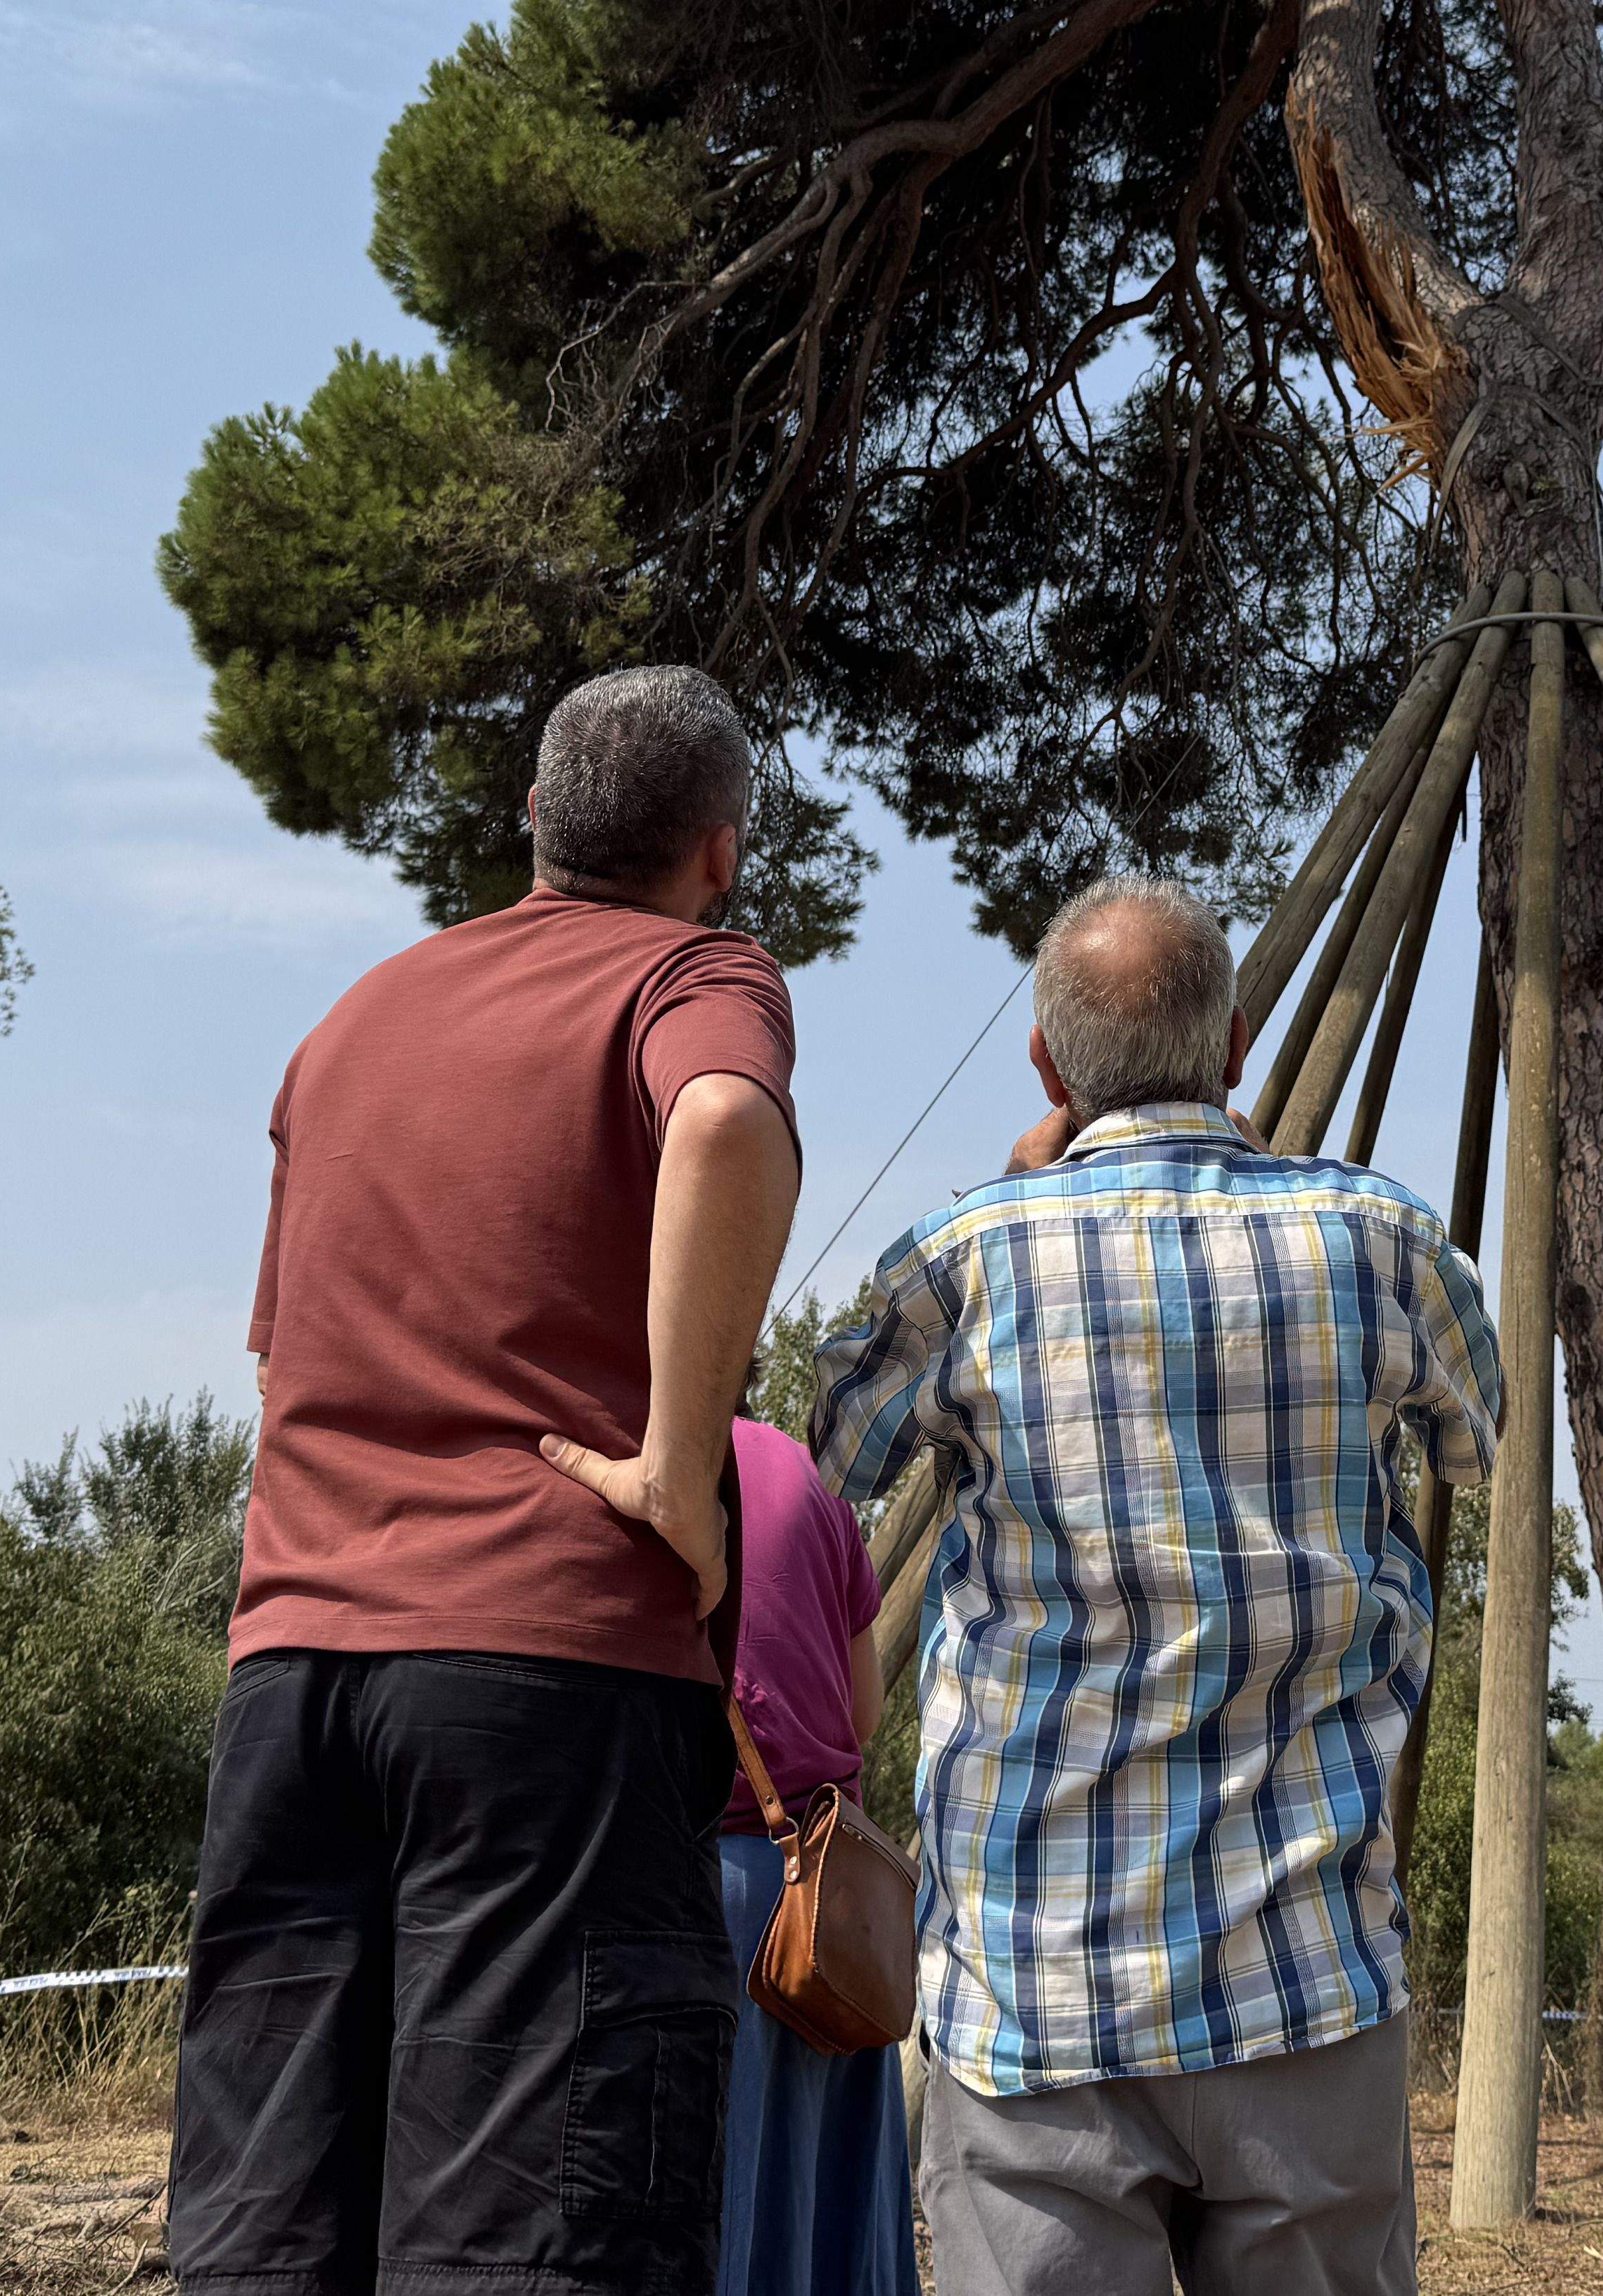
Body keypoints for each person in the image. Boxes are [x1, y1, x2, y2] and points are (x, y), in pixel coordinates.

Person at [171, 666, 804, 2296]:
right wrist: (679, 1462)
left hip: (293, 1679)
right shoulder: (694, 973)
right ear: (719, 850)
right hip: (544, 1675)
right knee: (534, 2236)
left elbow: (277, 1357)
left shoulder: (356, 1018)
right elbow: (726, 1120)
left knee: (267, 2225)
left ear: (534, 819)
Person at [810, 874, 1500, 2296]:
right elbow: (1478, 1440)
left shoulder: (968, 1261)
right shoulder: (1381, 1243)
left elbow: (827, 1455)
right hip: (1307, 1976)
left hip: (1035, 1985)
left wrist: (1020, 1198)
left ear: (1046, 1065)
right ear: (1237, 1045)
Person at [716, 1410, 918, 2296]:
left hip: (711, 1893)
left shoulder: (640, 1469)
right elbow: (865, 1713)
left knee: (727, 2200)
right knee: (835, 2209)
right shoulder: (811, 1478)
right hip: (835, 1911)